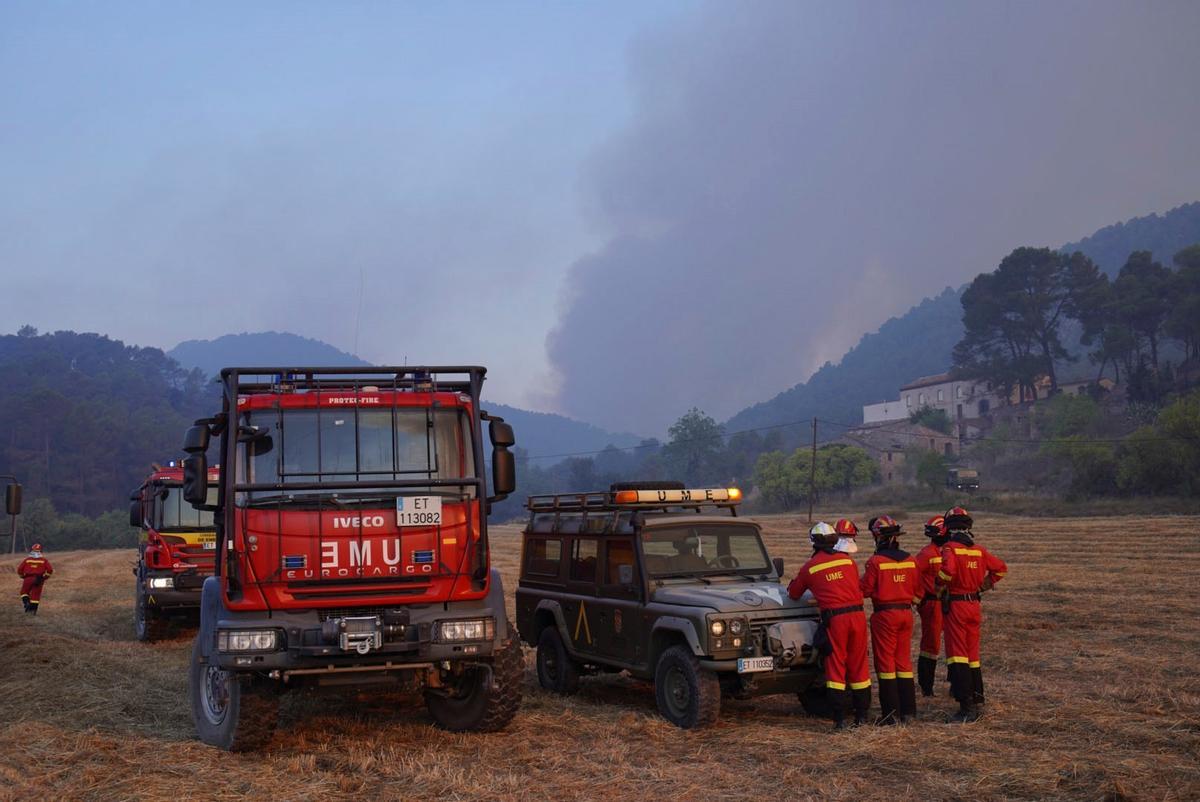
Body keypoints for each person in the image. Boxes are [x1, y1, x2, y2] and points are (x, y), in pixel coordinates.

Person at [787, 521, 871, 729]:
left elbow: (794, 593)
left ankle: (839, 719)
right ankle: (861, 716)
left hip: (836, 620)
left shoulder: (811, 567)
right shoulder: (848, 561)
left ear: (813, 543)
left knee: (835, 667)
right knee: (859, 665)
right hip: (858, 617)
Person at [936, 507, 1007, 722]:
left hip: (957, 606)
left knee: (957, 655)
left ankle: (966, 708)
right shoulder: (979, 550)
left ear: (948, 528)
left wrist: (939, 584)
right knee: (973, 656)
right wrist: (983, 586)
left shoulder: (950, 548)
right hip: (974, 605)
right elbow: (1001, 569)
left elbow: (947, 572)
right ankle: (978, 700)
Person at [861, 515, 920, 724]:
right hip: (906, 614)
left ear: (878, 537)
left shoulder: (875, 561)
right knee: (903, 662)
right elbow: (919, 590)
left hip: (885, 615)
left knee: (886, 664)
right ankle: (909, 712)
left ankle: (890, 715)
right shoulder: (912, 560)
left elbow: (865, 590)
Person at [913, 514, 949, 696]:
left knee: (954, 643)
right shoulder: (927, 554)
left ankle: (955, 682)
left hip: (950, 602)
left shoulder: (949, 551)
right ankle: (926, 686)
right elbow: (913, 574)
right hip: (932, 603)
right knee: (931, 644)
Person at [17, 543, 53, 614]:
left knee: (24, 592)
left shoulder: (27, 560)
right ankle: (33, 611)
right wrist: (45, 577)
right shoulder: (44, 560)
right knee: (35, 595)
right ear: (40, 551)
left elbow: (19, 569)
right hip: (39, 579)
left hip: (28, 578)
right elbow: (50, 570)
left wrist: (22, 576)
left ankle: (27, 603)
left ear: (32, 550)